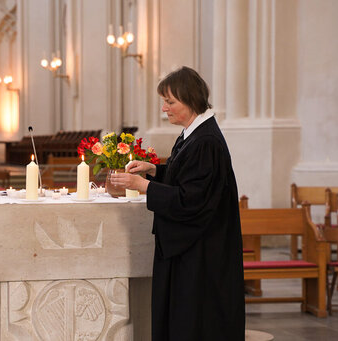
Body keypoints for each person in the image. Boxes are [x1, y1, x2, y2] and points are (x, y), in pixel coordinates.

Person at [110, 66, 245, 340]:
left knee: (195, 323)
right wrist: (154, 170)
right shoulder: (193, 134)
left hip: (202, 256)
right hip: (191, 250)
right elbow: (187, 177)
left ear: (191, 99)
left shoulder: (206, 141)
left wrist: (144, 187)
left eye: (170, 102)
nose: (164, 108)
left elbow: (191, 201)